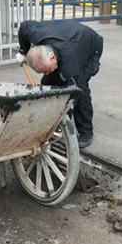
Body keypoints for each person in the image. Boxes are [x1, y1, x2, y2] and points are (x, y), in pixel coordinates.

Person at [16, 20, 103, 149]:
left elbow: (74, 94)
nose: (45, 73)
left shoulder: (71, 65)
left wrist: (63, 119)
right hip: (65, 35)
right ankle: (51, 118)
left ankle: (86, 132)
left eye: (46, 70)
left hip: (90, 47)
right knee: (48, 81)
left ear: (53, 57)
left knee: (80, 89)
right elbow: (23, 27)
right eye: (42, 71)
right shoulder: (34, 33)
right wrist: (23, 52)